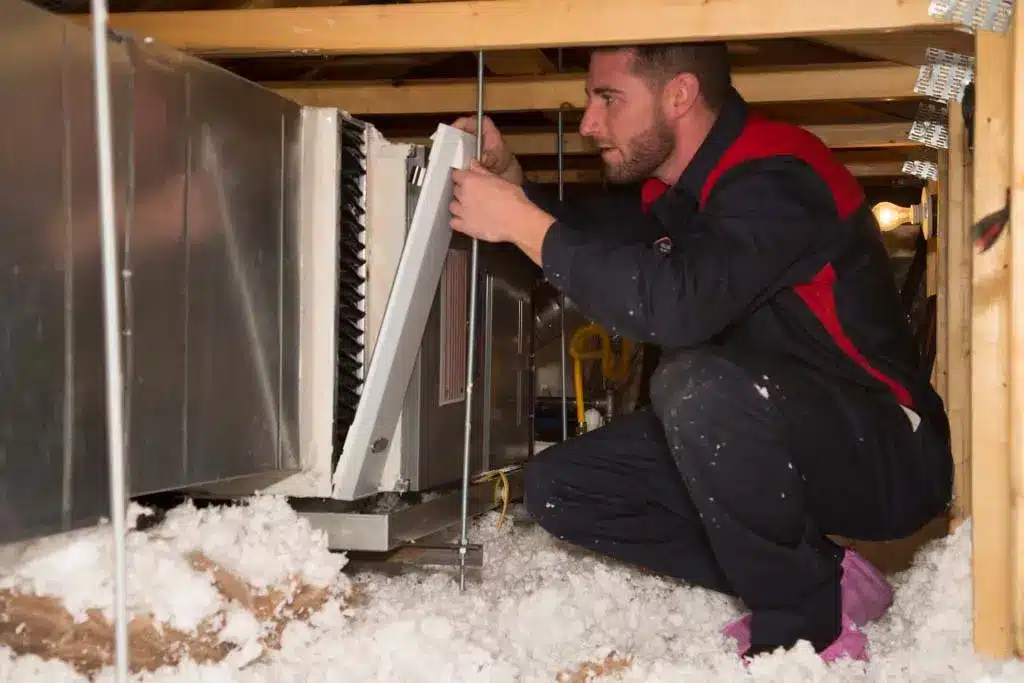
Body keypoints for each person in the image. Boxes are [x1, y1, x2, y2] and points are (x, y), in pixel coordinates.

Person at [448, 42, 953, 663]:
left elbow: (676, 308)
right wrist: (517, 195)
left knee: (696, 384)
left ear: (679, 96)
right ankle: (822, 580)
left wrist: (522, 224)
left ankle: (801, 639)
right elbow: (594, 245)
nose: (587, 123)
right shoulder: (677, 196)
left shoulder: (778, 174)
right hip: (772, 433)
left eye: (608, 98)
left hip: (887, 451)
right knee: (562, 486)